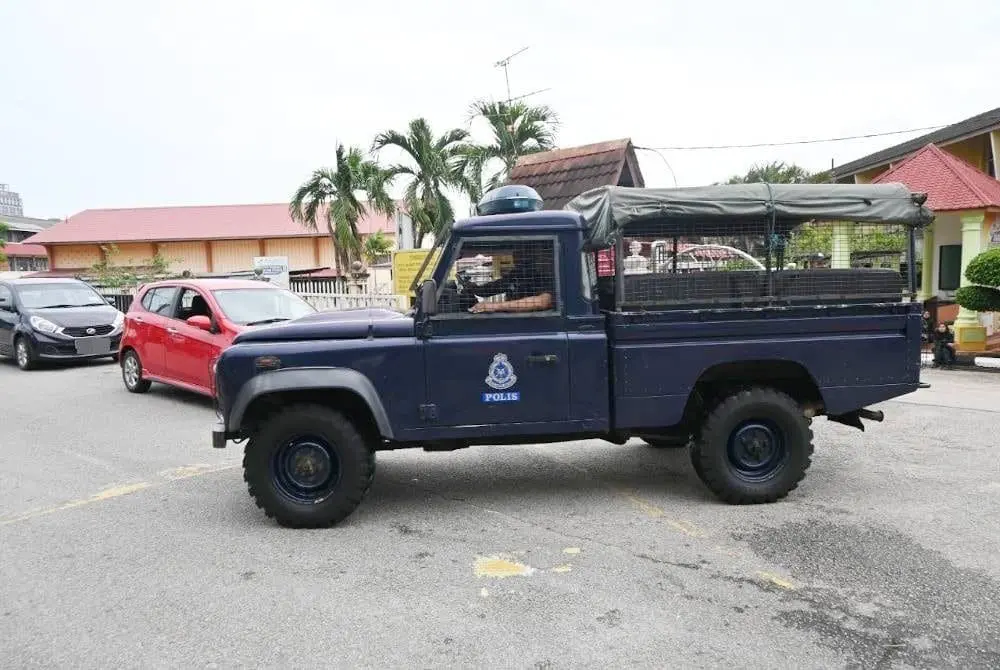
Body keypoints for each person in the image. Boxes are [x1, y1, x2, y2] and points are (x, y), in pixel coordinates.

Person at [462, 245, 555, 314]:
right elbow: (492, 288)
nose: (515, 256)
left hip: (531, 324)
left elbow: (543, 301)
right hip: (512, 320)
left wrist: (496, 306)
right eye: (515, 252)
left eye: (520, 252)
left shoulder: (540, 277)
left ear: (531, 256)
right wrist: (474, 289)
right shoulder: (516, 275)